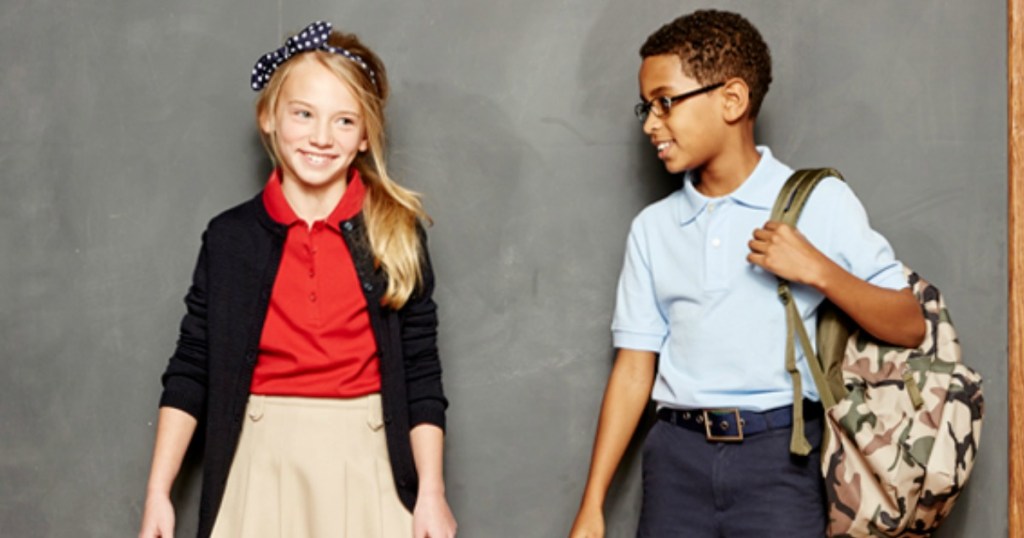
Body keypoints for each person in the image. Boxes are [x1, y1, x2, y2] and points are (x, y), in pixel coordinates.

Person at [568, 9, 925, 537]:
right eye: (646, 106)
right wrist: (591, 505)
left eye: (665, 102)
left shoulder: (819, 201)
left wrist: (819, 270)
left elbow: (909, 323)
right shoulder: (653, 228)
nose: (649, 122)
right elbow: (633, 369)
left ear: (732, 100)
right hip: (675, 460)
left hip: (780, 457)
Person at [138, 20, 456, 538]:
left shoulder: (397, 235)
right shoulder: (229, 238)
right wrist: (158, 493)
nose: (321, 137)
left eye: (345, 121)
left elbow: (421, 373)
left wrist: (431, 493)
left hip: (368, 462)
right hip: (260, 463)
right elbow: (191, 367)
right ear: (268, 117)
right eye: (303, 114)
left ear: (365, 137)